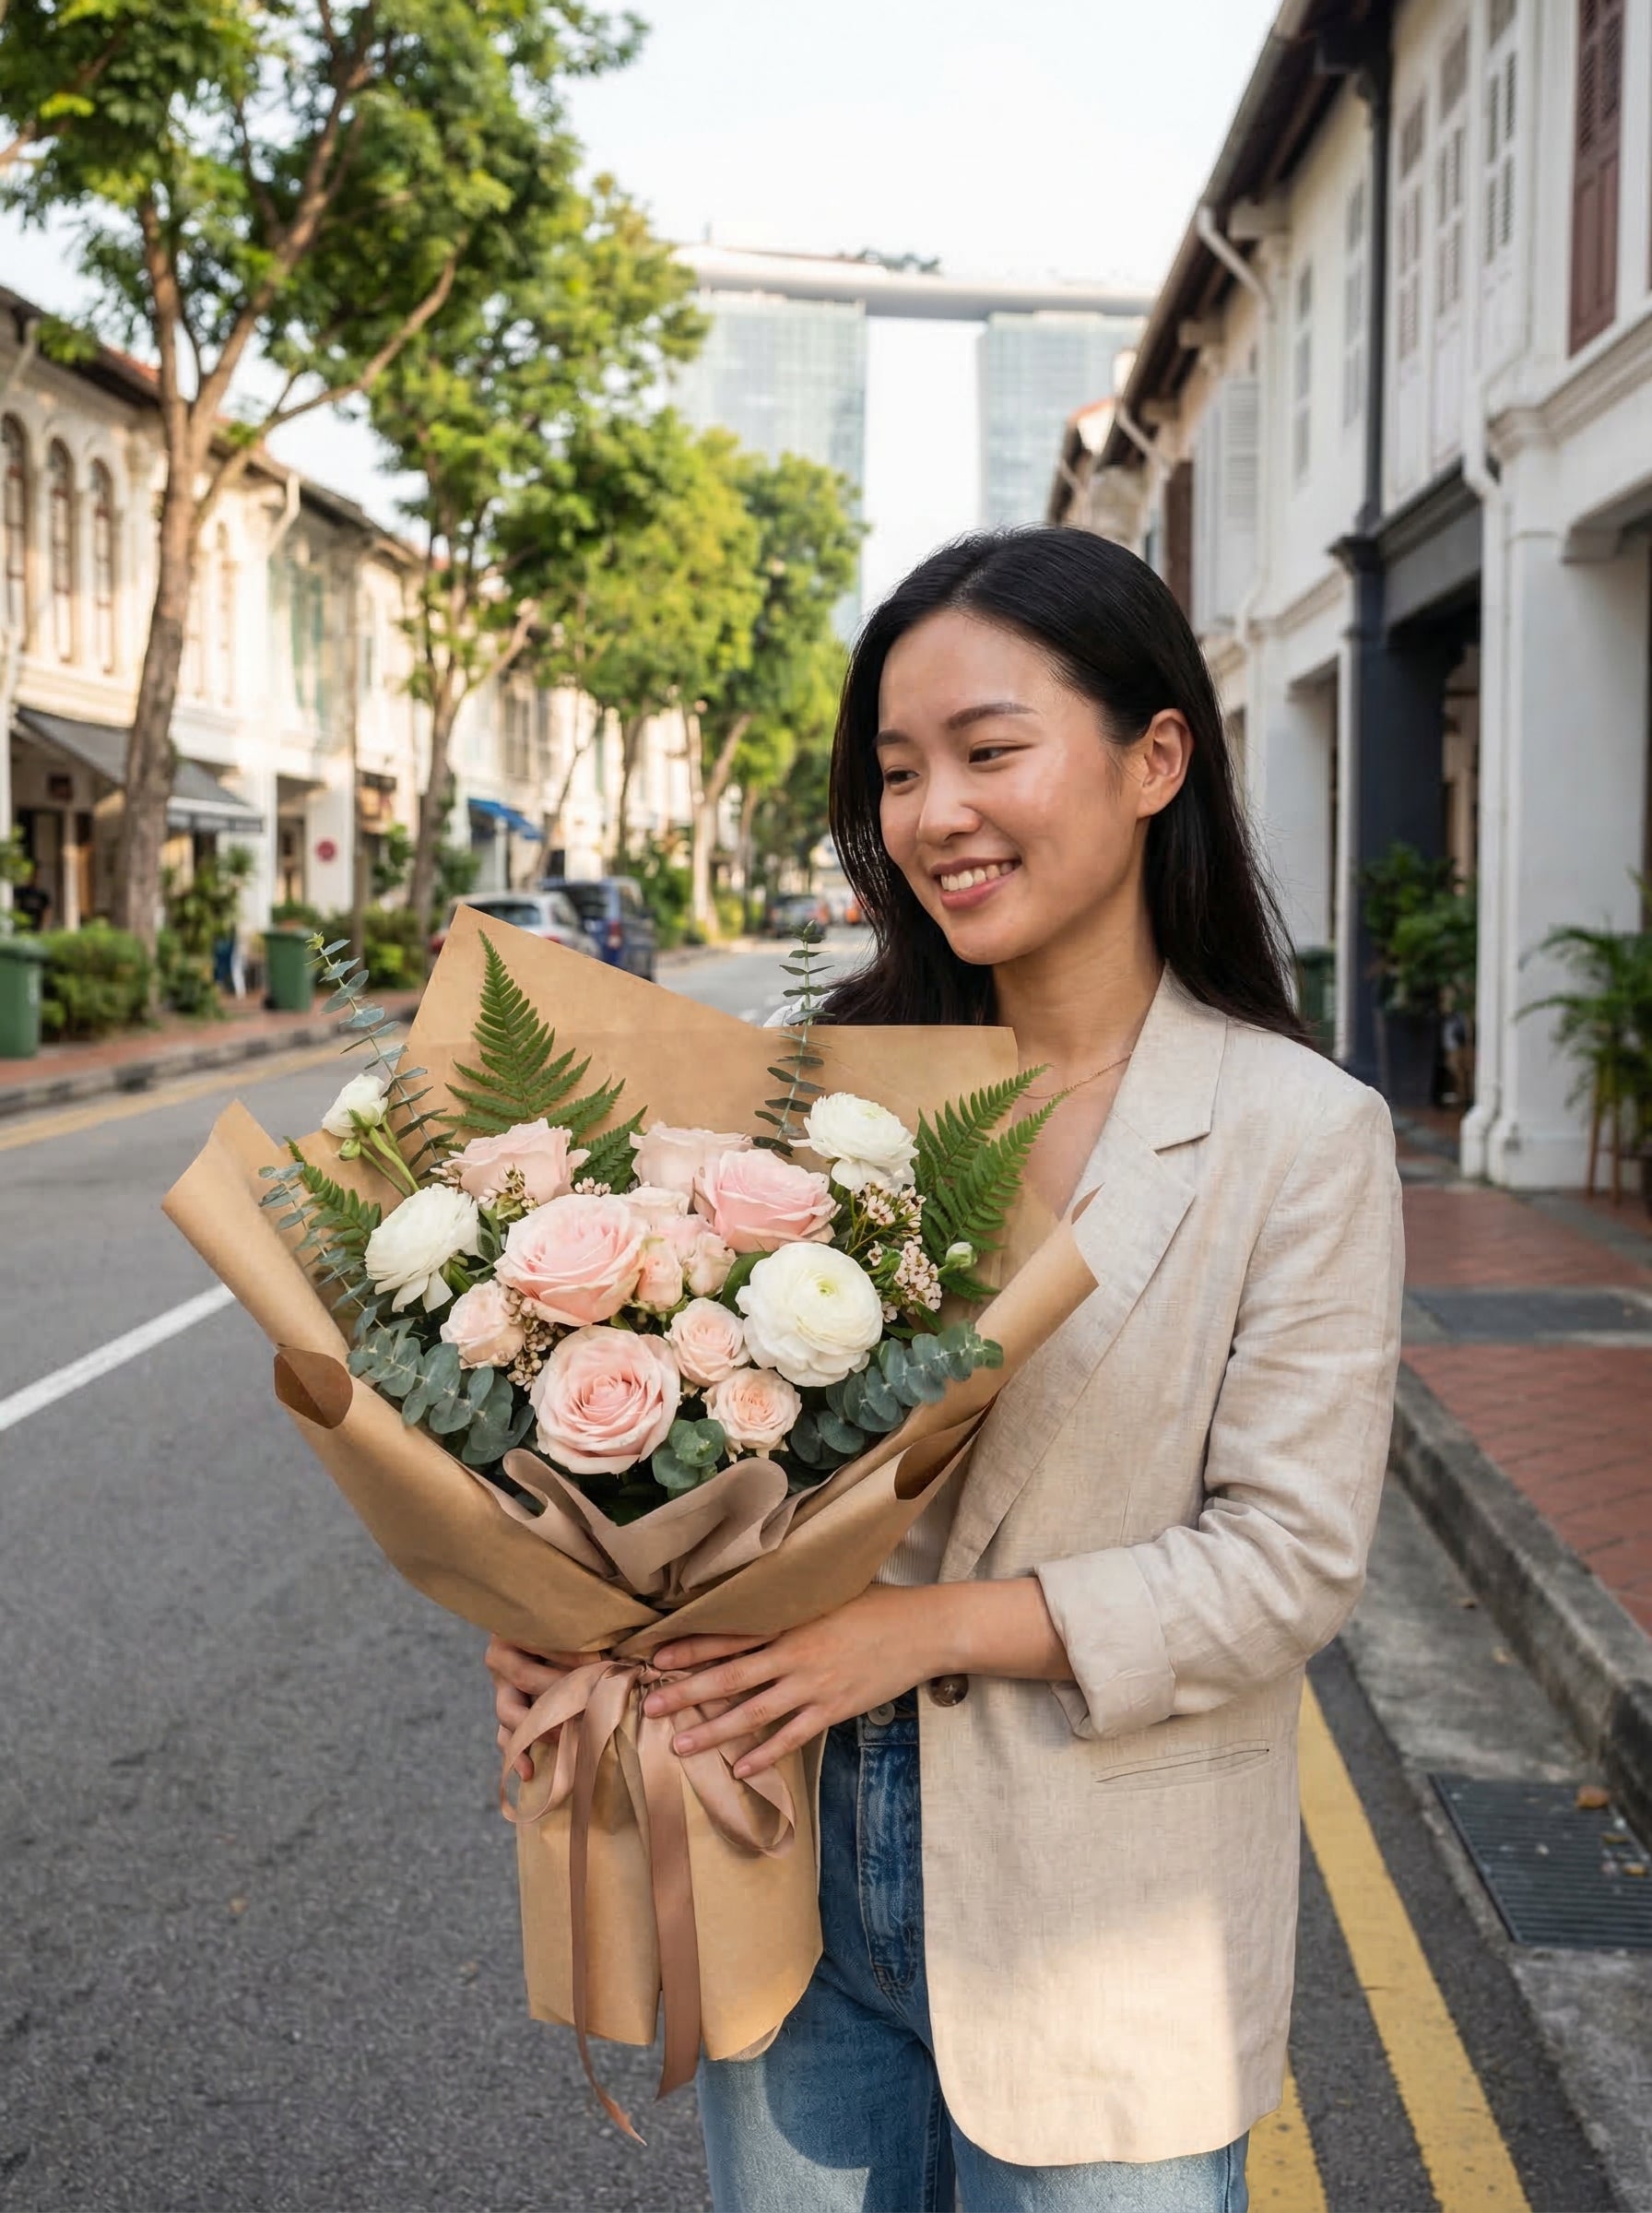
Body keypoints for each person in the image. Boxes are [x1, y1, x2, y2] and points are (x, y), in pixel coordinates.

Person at [487, 528, 1403, 2212]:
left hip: (1107, 1912)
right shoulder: (801, 1109)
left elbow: (1287, 1561)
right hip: (782, 1860)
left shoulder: (1301, 1137)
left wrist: (918, 1631)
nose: (935, 815)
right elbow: (671, 1469)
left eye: (991, 752)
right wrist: (581, 1637)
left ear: (1154, 758)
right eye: (899, 772)